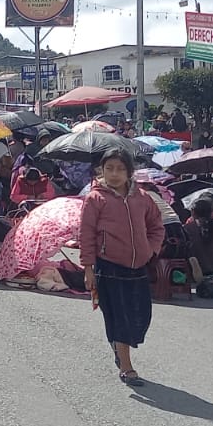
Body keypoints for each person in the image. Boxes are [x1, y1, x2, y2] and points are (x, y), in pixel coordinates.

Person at [80, 150, 166, 387]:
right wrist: (88, 268)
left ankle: (119, 346)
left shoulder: (143, 198)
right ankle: (127, 366)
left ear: (129, 171)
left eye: (120, 169)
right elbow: (85, 235)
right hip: (108, 267)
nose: (114, 174)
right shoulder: (95, 199)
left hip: (138, 267)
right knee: (120, 317)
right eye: (109, 169)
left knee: (140, 317)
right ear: (102, 170)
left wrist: (150, 250)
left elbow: (157, 227)